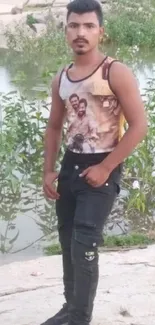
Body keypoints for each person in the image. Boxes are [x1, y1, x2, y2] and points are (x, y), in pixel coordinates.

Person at [42, 0, 147, 325]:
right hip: (71, 165)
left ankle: (79, 318)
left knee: (85, 241)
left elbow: (140, 126)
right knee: (68, 238)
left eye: (88, 26)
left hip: (105, 164)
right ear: (66, 32)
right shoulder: (62, 76)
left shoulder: (114, 71)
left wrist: (106, 167)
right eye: (74, 25)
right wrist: (48, 170)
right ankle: (69, 308)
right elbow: (55, 126)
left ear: (101, 31)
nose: (80, 32)